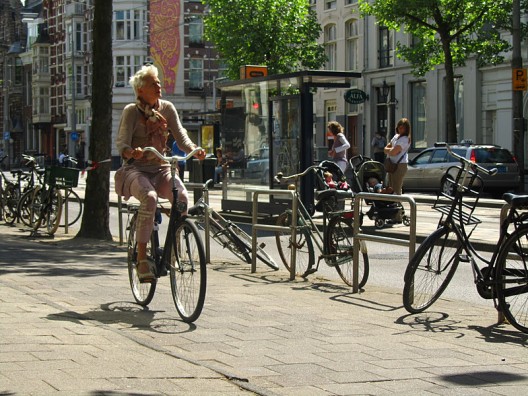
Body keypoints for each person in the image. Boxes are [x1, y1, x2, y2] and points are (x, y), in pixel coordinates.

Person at [115, 64, 205, 283]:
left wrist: (195, 149)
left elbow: (181, 136)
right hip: (136, 170)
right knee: (150, 197)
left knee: (182, 197)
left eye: (158, 82)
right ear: (140, 90)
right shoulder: (130, 111)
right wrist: (131, 152)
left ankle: (173, 249)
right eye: (152, 83)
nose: (158, 86)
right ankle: (142, 257)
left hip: (161, 168)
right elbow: (122, 143)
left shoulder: (167, 108)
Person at [384, 118, 411, 195]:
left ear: (406, 129)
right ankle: (391, 203)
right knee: (390, 187)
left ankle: (398, 203)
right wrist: (390, 150)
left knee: (396, 187)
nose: (400, 129)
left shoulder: (405, 139)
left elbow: (393, 152)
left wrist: (390, 150)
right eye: (399, 127)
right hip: (391, 164)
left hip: (400, 165)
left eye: (402, 128)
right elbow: (386, 148)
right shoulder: (396, 136)